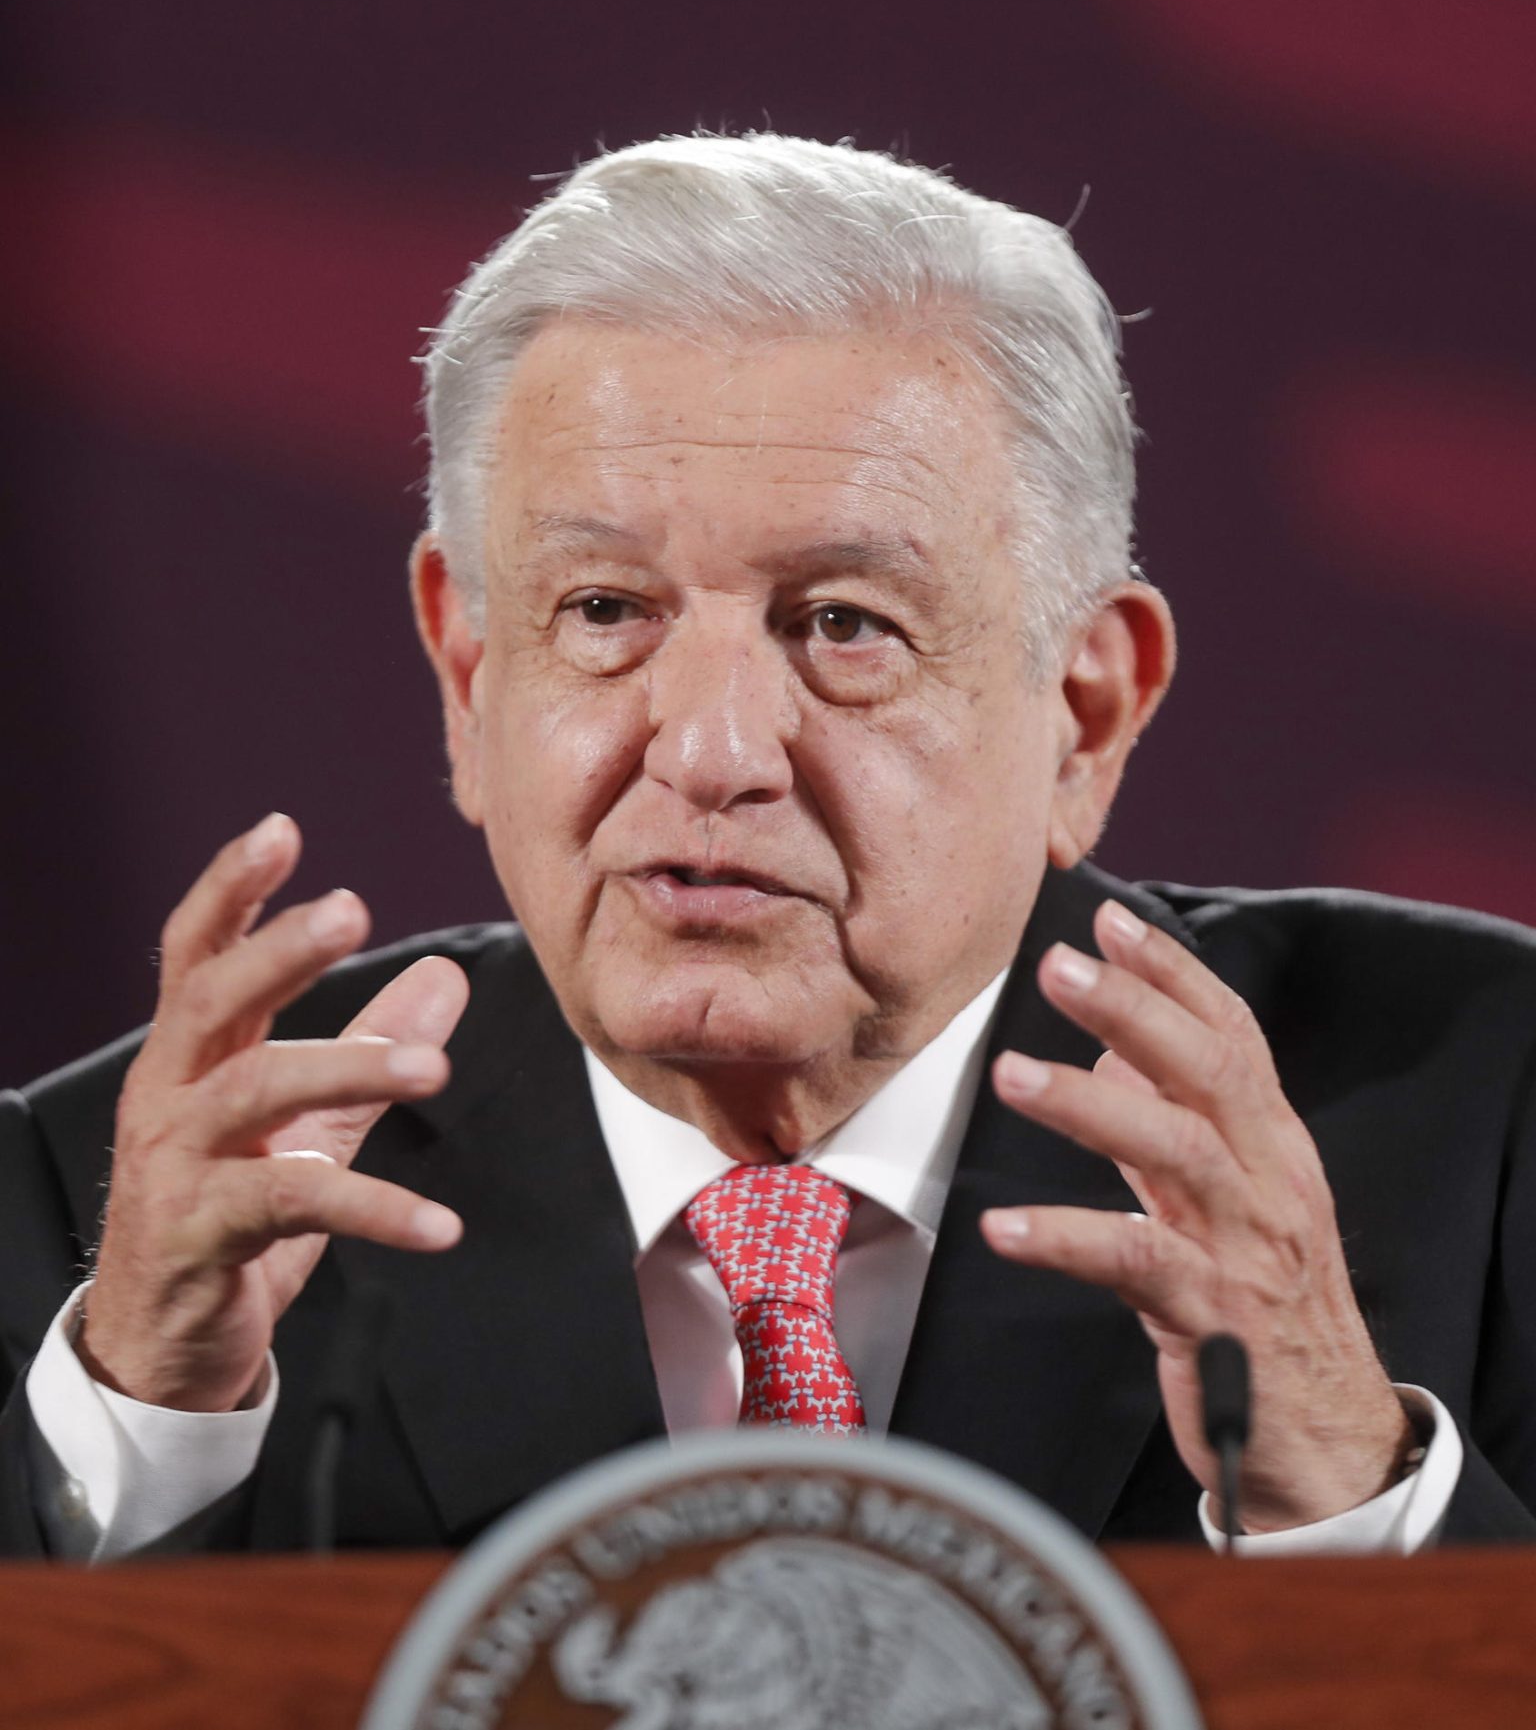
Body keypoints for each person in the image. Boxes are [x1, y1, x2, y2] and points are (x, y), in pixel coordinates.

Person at [3, 133, 1534, 1563]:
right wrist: (146, 1440)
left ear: (1086, 712)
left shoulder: (1487, 1119)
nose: (713, 750)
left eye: (846, 625)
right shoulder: (109, 1222)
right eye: (605, 611)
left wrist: (1351, 1500)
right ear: (470, 676)